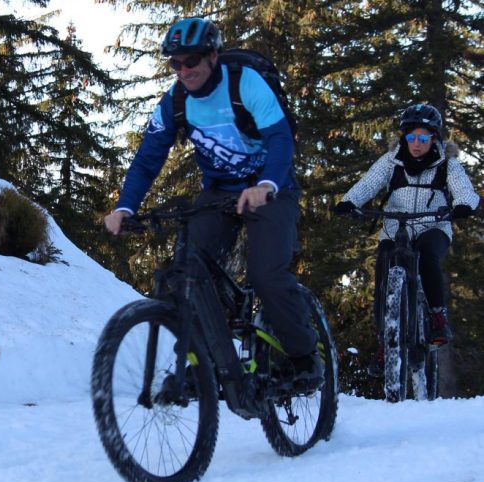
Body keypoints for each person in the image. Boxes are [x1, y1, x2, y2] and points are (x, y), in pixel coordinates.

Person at [103, 17, 322, 391]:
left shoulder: (244, 83)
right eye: (176, 63)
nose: (184, 71)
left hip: (270, 187)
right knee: (187, 275)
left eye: (191, 61)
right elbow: (147, 159)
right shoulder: (174, 101)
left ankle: (305, 359)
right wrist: (125, 207)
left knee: (267, 276)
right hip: (219, 191)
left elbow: (281, 138)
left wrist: (266, 184)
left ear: (213, 57)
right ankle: (199, 363)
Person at [334, 103, 480, 376]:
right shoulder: (391, 160)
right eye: (411, 137)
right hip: (395, 227)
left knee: (427, 257)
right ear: (403, 137)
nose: (416, 144)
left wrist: (463, 205)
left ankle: (437, 316)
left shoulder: (448, 163)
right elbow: (369, 183)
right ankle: (385, 342)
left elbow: (464, 191)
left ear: (433, 139)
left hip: (432, 225)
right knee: (382, 278)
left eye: (423, 138)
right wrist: (349, 201)